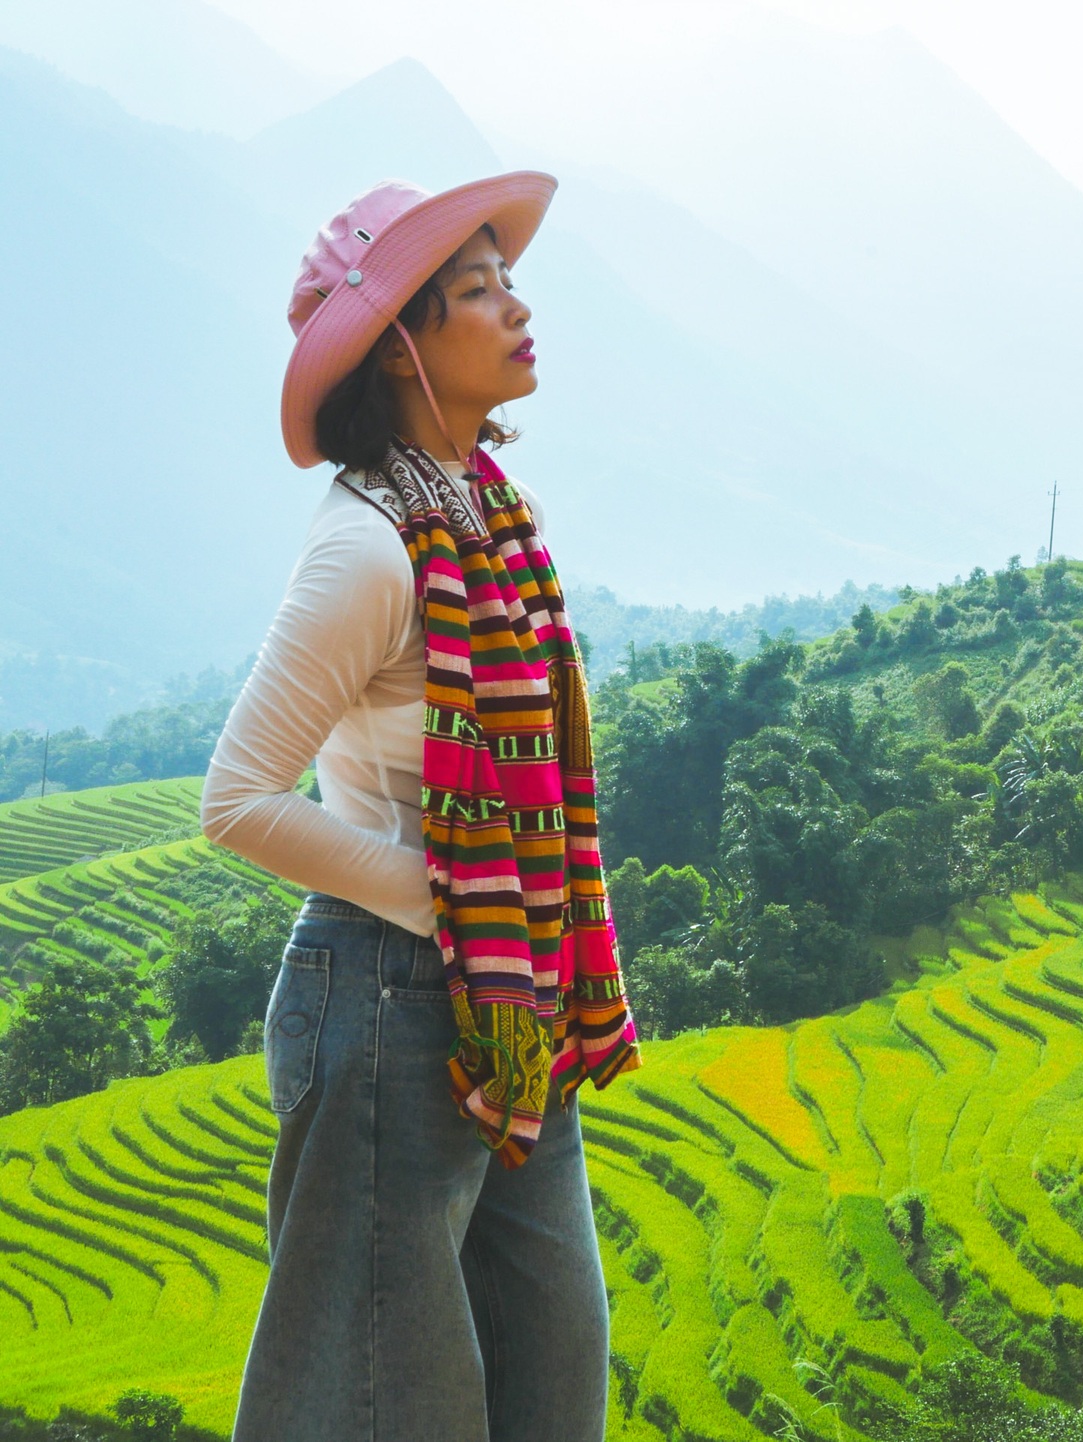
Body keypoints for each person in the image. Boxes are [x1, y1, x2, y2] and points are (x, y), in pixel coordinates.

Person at [201, 171, 641, 1442]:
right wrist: (454, 906)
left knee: (552, 1379)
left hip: (511, 1006)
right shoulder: (368, 548)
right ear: (400, 348)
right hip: (391, 998)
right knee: (392, 1403)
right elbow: (236, 798)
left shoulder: (501, 518)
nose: (515, 306)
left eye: (507, 277)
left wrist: (507, 936)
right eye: (476, 289)